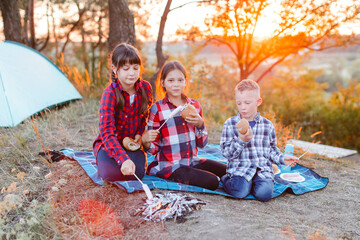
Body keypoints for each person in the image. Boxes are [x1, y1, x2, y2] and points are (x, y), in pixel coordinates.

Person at [144, 60, 227, 191]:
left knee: (227, 171)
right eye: (171, 80)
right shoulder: (157, 109)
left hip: (193, 161)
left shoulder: (194, 106)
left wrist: (200, 124)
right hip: (172, 167)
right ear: (163, 83)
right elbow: (153, 149)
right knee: (212, 182)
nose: (176, 85)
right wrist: (146, 141)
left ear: (185, 82)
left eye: (180, 80)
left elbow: (202, 144)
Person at [220, 79, 299, 202]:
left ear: (258, 102)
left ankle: (253, 184)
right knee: (239, 192)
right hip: (241, 169)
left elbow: (271, 150)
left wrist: (283, 159)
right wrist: (241, 141)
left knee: (265, 195)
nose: (243, 107)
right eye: (239, 103)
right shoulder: (230, 124)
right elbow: (226, 153)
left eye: (247, 103)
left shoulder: (267, 125)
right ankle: (227, 178)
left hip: (262, 169)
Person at [93, 42, 156, 182]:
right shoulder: (110, 94)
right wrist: (123, 159)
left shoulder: (145, 88)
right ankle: (106, 159)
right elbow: (106, 132)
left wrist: (139, 135)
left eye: (135, 68)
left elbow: (143, 115)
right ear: (115, 69)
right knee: (110, 175)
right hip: (109, 143)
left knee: (138, 172)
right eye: (126, 68)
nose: (132, 73)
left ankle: (127, 160)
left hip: (131, 143)